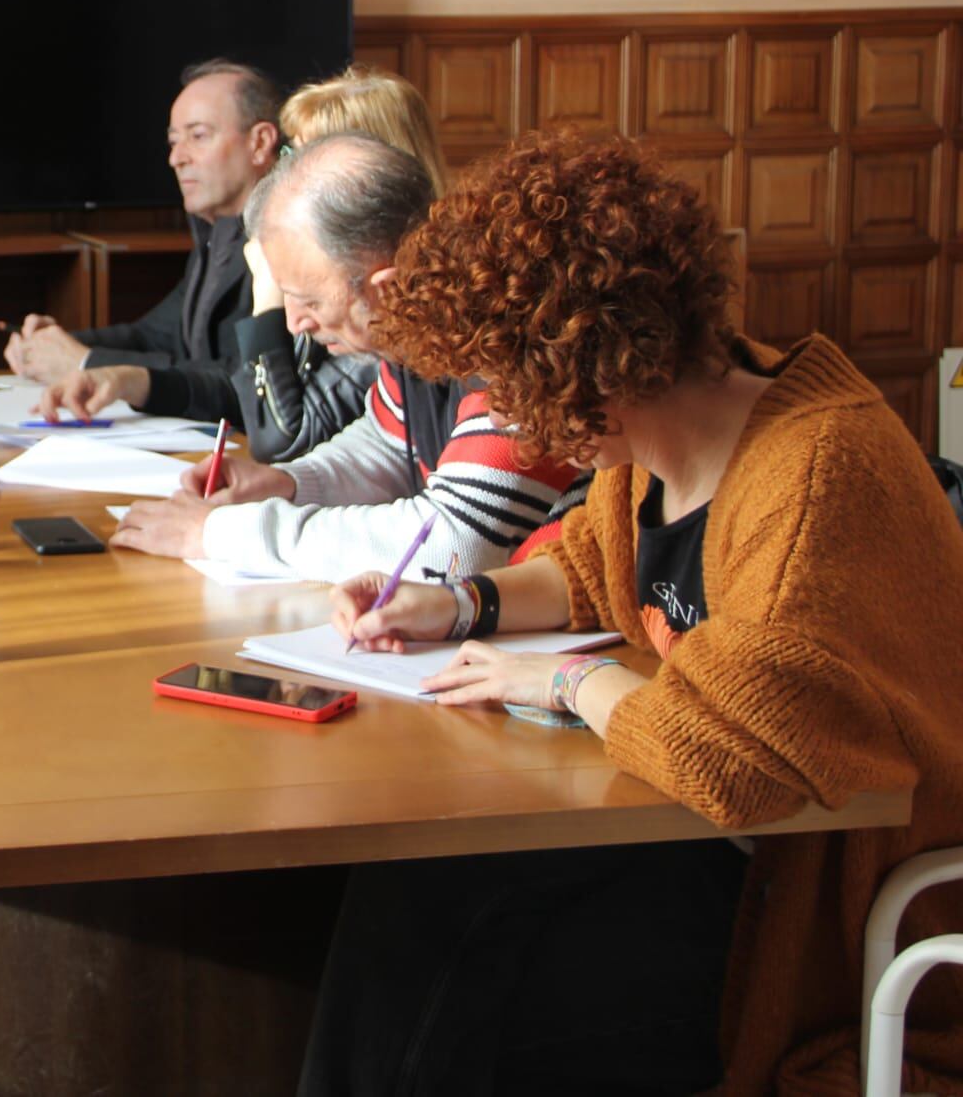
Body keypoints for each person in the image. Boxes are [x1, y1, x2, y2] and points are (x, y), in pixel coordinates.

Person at [309, 132, 963, 1096]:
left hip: (815, 923)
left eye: (513, 381)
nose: (517, 420)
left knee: (445, 964)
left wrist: (574, 681)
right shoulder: (670, 438)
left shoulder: (814, 476)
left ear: (586, 374)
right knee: (416, 896)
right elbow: (594, 571)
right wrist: (456, 606)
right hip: (720, 855)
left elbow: (730, 762)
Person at [112, 132, 580, 581]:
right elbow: (386, 446)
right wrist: (287, 483)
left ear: (389, 288)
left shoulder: (504, 346)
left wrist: (218, 534)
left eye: (309, 302)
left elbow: (451, 547)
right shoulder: (423, 326)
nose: (294, 324)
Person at [37, 67, 446, 459]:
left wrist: (269, 297)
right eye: (292, 156)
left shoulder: (380, 311)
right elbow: (247, 390)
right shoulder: (234, 240)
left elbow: (282, 438)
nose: (286, 174)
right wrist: (126, 377)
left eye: (303, 158)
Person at [4, 59, 278, 393]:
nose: (176, 158)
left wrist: (86, 361)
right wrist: (56, 344)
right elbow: (154, 337)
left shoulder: (285, 241)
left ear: (260, 142)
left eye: (198, 136)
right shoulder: (217, 233)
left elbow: (243, 378)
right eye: (174, 141)